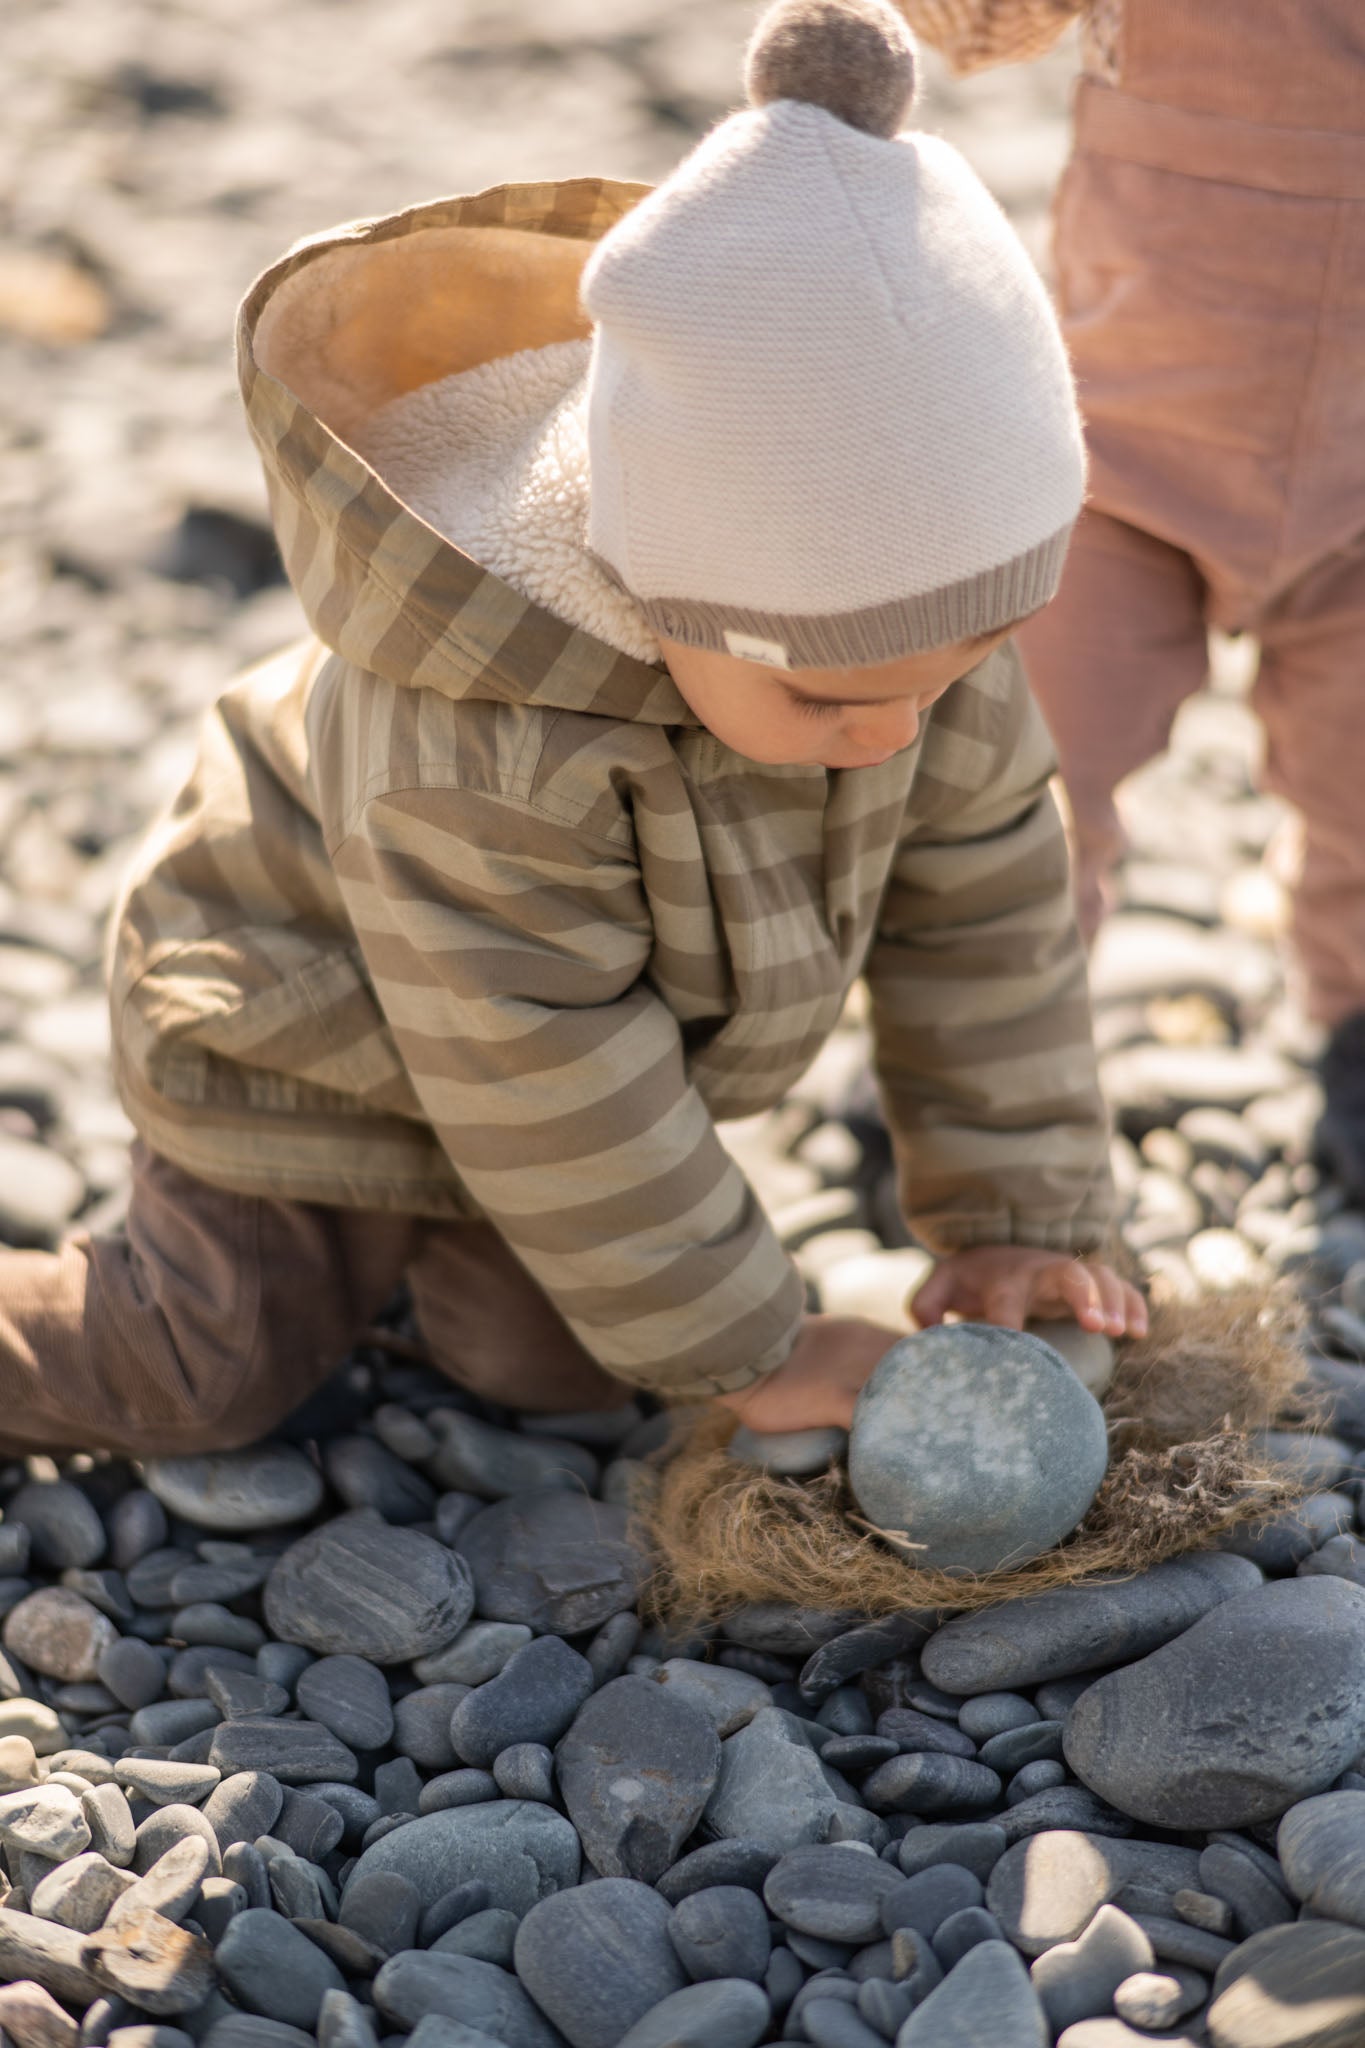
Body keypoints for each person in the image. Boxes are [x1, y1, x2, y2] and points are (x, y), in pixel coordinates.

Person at [0, 0, 1144, 1462]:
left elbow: (984, 920)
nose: (892, 732)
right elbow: (542, 1057)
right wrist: (757, 1342)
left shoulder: (902, 641)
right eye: (824, 697)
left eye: (970, 654)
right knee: (198, 1375)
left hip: (557, 1053)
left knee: (555, 1377)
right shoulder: (481, 755)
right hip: (308, 1034)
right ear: (665, 589)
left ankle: (451, 1263)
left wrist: (1014, 1219)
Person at [904, 0, 1365, 1196]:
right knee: (1024, 779)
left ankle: (1357, 1021)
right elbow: (967, 26)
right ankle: (969, 1056)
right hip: (1119, 468)